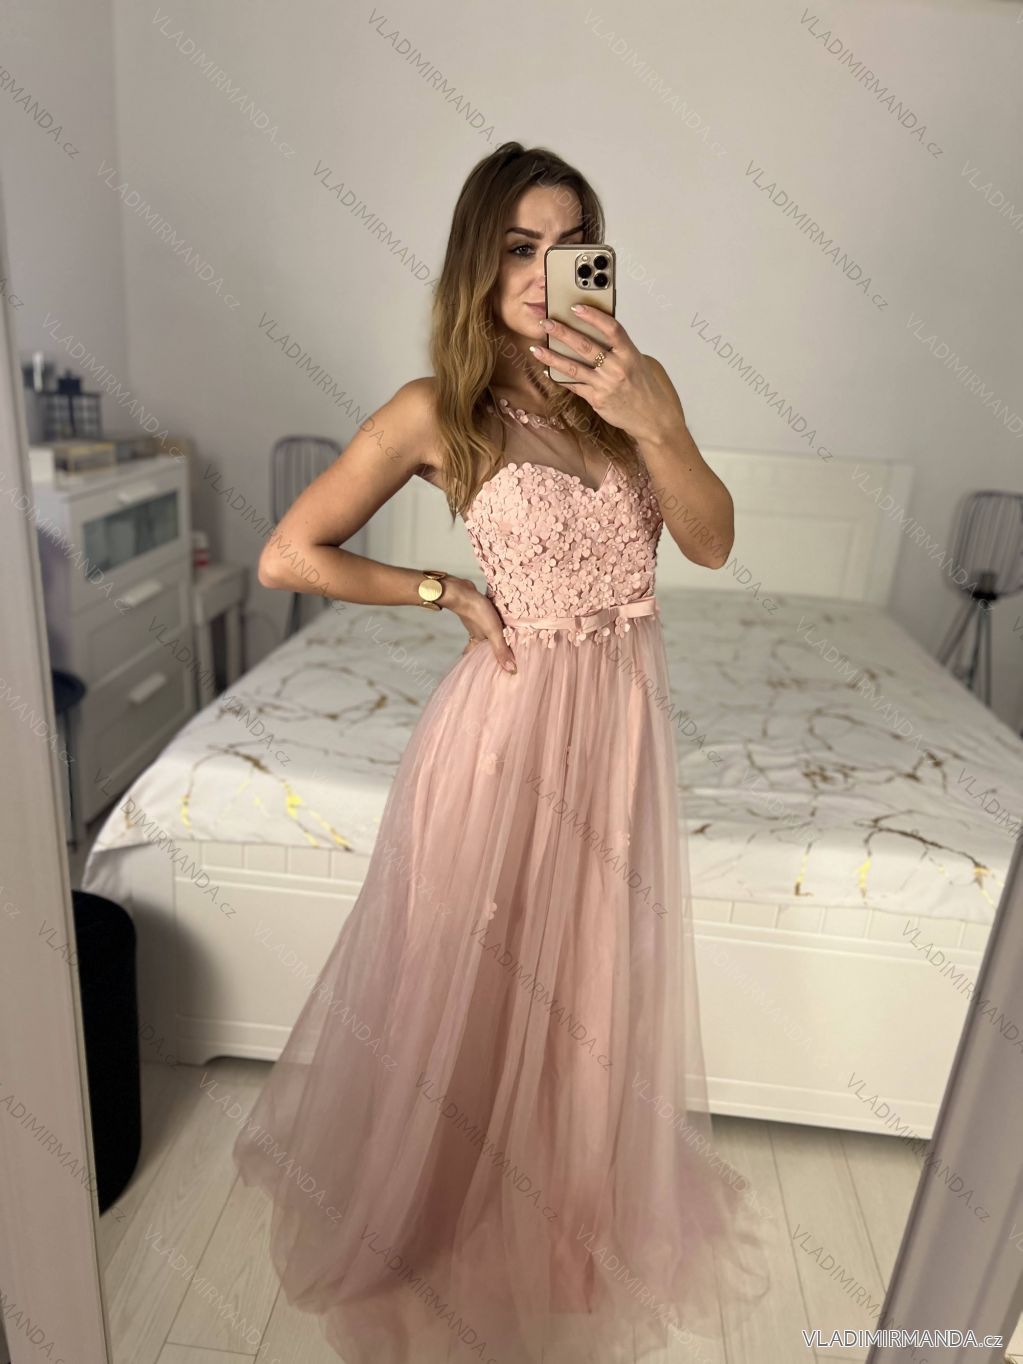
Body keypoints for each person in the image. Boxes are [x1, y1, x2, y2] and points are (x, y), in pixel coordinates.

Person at [233, 140, 773, 1364]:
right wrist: (444, 591)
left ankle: (559, 1240)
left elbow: (711, 541)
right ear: (479, 262)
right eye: (519, 247)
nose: (543, 272)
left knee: (586, 993)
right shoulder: (438, 409)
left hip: (617, 744)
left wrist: (655, 420)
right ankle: (430, 1224)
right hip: (506, 738)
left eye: (569, 245)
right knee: (473, 991)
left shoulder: (637, 386)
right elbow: (288, 553)